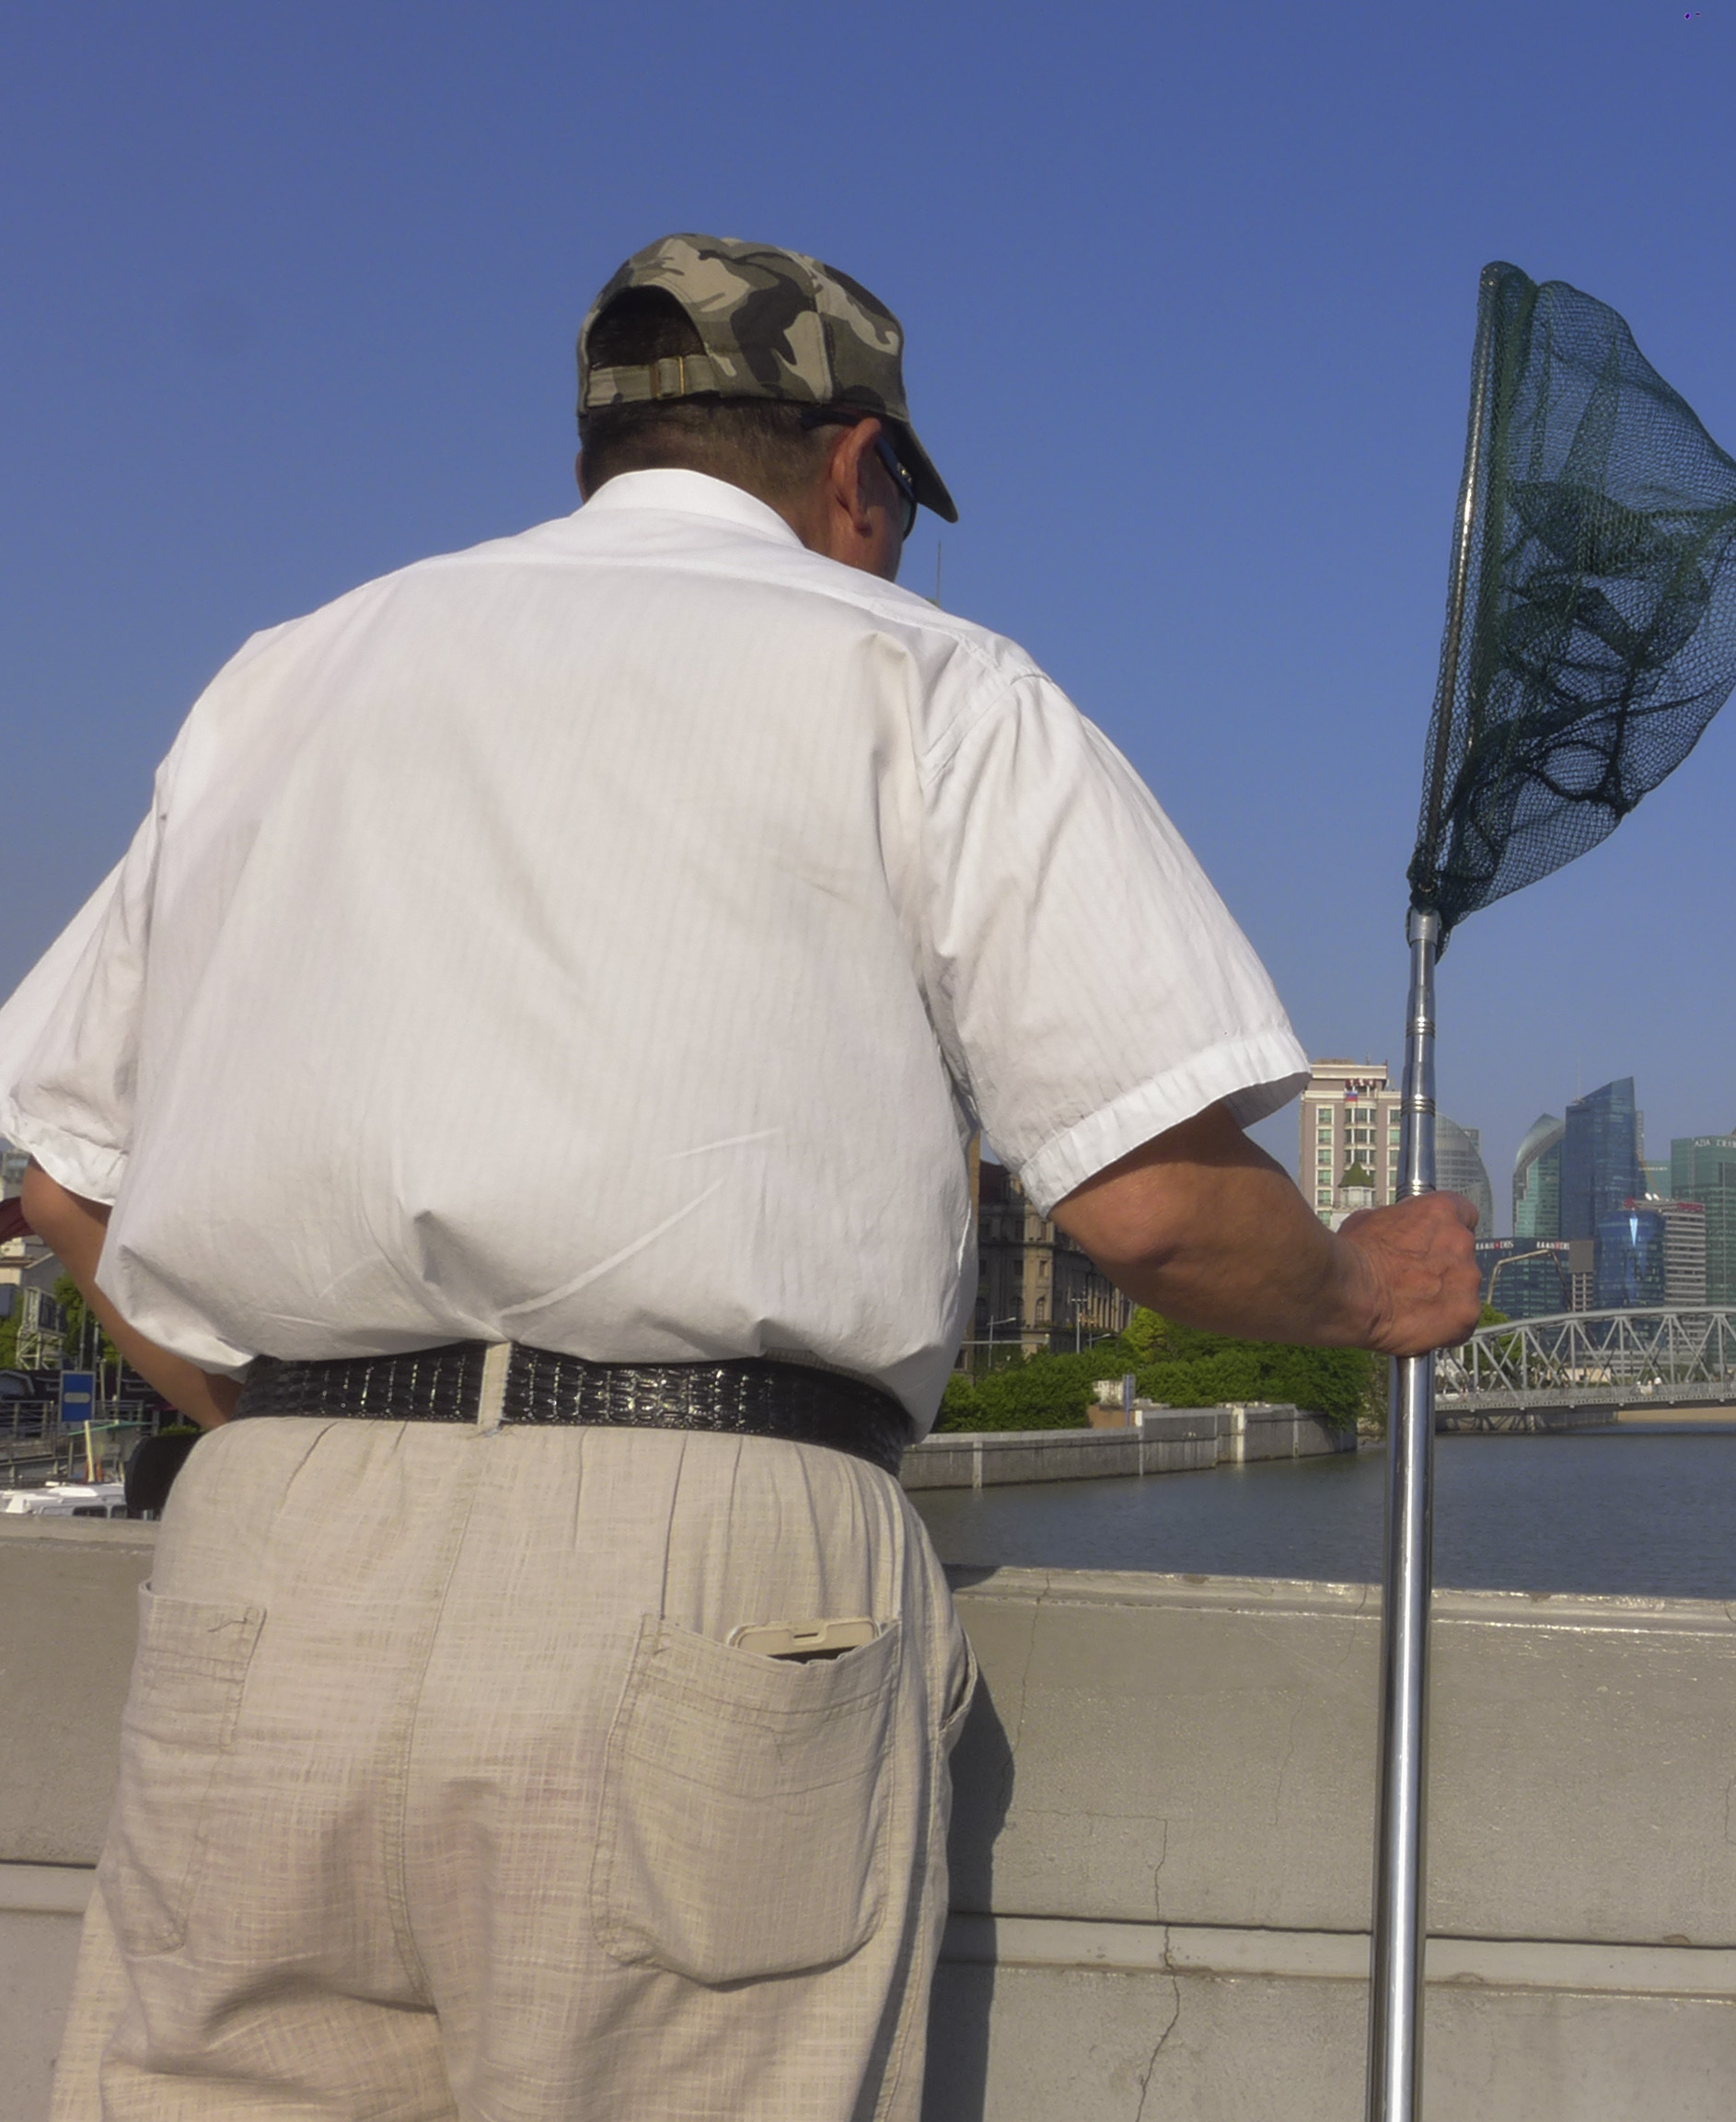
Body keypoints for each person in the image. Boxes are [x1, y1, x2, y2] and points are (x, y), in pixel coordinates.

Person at [4, 233, 1478, 2121]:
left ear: (604, 455)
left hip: (269, 1559)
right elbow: (1154, 1199)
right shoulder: (928, 680)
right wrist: (1361, 1292)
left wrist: (286, 1425)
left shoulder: (282, 679)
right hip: (697, 1558)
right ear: (856, 468)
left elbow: (66, 1178)